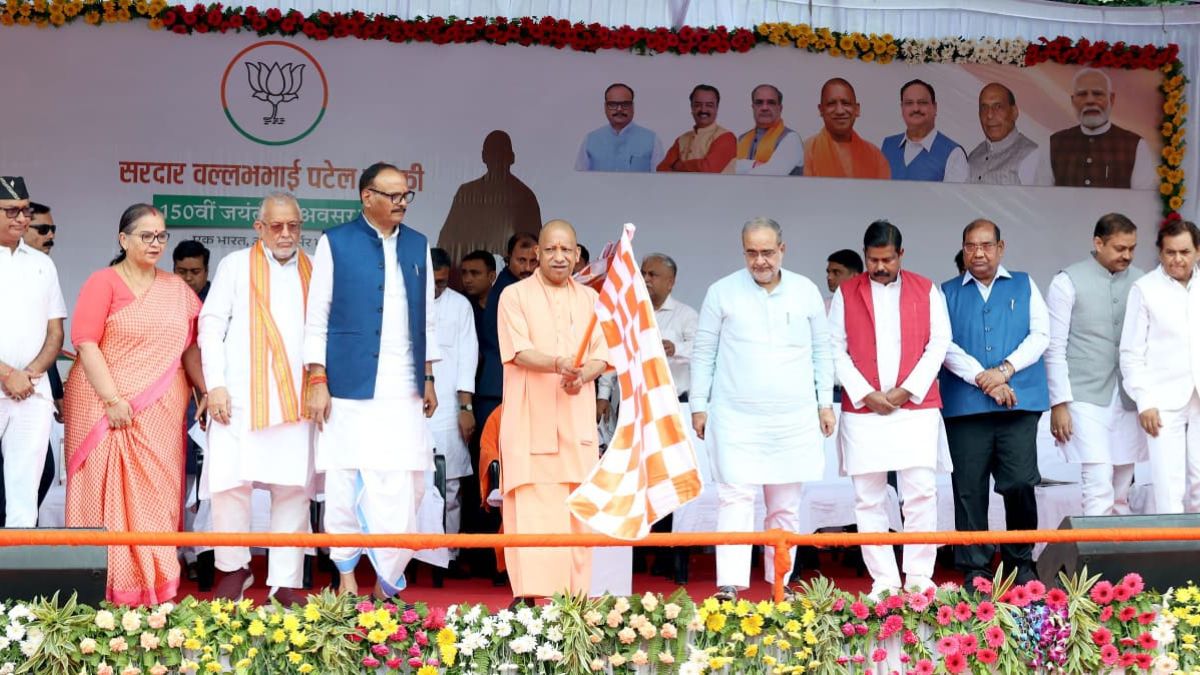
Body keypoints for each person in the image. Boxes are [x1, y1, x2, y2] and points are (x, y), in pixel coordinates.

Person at [303, 162, 438, 599]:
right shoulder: (335, 243)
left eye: (405, 196)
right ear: (367, 197)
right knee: (344, 480)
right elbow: (316, 317)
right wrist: (317, 377)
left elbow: (428, 320)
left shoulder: (418, 245)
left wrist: (430, 376)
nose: (402, 203)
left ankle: (387, 581)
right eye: (394, 195)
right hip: (349, 385)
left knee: (406, 483)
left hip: (404, 388)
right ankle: (344, 578)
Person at [64, 203, 205, 604]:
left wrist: (206, 390)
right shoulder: (102, 282)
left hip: (158, 411)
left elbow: (190, 348)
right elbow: (85, 342)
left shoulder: (176, 289)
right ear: (123, 239)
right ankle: (102, 592)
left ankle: (154, 591)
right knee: (103, 496)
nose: (155, 243)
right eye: (146, 236)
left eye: (161, 236)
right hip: (103, 408)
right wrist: (112, 400)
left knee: (155, 498)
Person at [691, 217, 835, 601]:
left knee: (785, 507)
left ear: (782, 250)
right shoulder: (721, 292)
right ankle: (730, 586)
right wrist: (699, 405)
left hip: (792, 417)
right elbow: (704, 352)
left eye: (767, 252)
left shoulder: (805, 292)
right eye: (752, 252)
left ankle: (779, 585)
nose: (760, 261)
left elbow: (823, 351)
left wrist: (825, 403)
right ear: (743, 252)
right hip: (735, 416)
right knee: (734, 499)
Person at [198, 193, 315, 605]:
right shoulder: (234, 266)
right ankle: (234, 568)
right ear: (259, 227)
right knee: (231, 485)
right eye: (277, 226)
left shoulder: (313, 269)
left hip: (296, 399)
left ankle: (285, 579)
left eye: (294, 226)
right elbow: (210, 327)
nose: (286, 234)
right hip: (239, 396)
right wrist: (215, 385)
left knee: (292, 490)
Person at [829, 221, 951, 597]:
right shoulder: (846, 292)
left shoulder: (926, 288)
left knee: (920, 493)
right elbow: (835, 347)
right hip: (865, 411)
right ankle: (883, 581)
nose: (879, 267)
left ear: (901, 254)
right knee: (868, 498)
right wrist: (867, 394)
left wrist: (906, 391)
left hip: (914, 408)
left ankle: (918, 576)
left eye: (887, 259)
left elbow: (939, 342)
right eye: (873, 259)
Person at [497, 219, 609, 600]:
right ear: (536, 256)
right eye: (550, 250)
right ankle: (529, 597)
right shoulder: (514, 296)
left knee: (577, 507)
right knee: (530, 509)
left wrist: (584, 373)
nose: (558, 257)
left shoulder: (592, 300)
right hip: (531, 418)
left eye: (566, 250)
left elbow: (601, 355)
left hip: (575, 417)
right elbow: (518, 351)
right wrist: (560, 363)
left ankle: (575, 599)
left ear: (577, 255)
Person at [941, 219, 1049, 586]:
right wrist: (984, 380)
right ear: (963, 248)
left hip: (1017, 404)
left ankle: (1021, 562)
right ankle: (976, 570)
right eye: (971, 245)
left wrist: (1004, 371)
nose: (979, 252)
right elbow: (944, 345)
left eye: (986, 245)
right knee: (969, 488)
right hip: (966, 406)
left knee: (1019, 481)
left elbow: (1041, 336)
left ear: (1001, 248)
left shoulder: (1024, 283)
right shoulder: (946, 292)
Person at [1046, 214, 1146, 516]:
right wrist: (1059, 403)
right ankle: (1096, 559)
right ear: (1098, 243)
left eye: (1132, 248)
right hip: (1084, 396)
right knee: (1098, 482)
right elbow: (1054, 347)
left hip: (1128, 397)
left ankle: (1123, 559)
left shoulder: (1143, 281)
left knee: (1121, 488)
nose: (1127, 255)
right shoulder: (1067, 281)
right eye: (1119, 248)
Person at [466, 232, 538, 581]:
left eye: (532, 261)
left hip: (522, 391)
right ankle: (491, 561)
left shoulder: (531, 288)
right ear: (507, 259)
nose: (527, 268)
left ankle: (510, 559)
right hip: (499, 392)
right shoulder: (509, 292)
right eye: (521, 261)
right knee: (492, 476)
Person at [1119, 219, 1200, 514]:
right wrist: (1145, 401)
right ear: (1159, 253)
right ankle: (1175, 557)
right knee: (1168, 486)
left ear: (1198, 251)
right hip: (1162, 400)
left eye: (1185, 252)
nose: (1178, 259)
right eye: (1170, 252)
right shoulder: (1145, 288)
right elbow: (1130, 352)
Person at [0, 177, 66, 529]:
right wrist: (7, 374)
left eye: (25, 210)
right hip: (10, 382)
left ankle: (12, 580)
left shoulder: (42, 265)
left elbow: (55, 333)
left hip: (31, 393)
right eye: (11, 210)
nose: (22, 218)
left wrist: (28, 374)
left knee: (25, 494)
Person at [637, 252, 699, 582]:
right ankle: (638, 552)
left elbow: (701, 351)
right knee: (641, 481)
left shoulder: (687, 315)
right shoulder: (634, 313)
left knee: (670, 481)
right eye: (644, 273)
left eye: (653, 275)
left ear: (670, 281)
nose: (646, 279)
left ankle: (668, 553)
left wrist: (673, 347)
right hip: (639, 408)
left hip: (675, 407)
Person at [429, 247, 479, 574]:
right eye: (433, 282)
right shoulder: (403, 300)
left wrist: (466, 406)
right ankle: (411, 551)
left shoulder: (459, 306)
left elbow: (467, 358)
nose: (437, 288)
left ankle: (448, 554)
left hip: (448, 405)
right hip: (411, 406)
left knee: (450, 486)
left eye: (443, 282)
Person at [438, 130, 542, 264]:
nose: (498, 159)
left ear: (511, 157)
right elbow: (446, 243)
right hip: (468, 277)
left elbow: (536, 249)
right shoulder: (466, 193)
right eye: (494, 154)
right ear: (484, 157)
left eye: (502, 154)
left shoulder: (525, 197)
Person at [1047, 68, 1156, 189]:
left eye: (1097, 94)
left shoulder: (1135, 145)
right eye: (1082, 94)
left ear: (1112, 99)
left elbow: (1143, 200)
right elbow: (1041, 197)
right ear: (1073, 101)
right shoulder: (1054, 143)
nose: (1090, 101)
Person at [881, 79, 967, 182]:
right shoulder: (888, 145)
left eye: (922, 103)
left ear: (934, 108)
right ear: (902, 108)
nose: (916, 108)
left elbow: (954, 197)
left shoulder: (953, 153)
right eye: (909, 103)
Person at [803, 78, 890, 179]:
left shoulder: (876, 157)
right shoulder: (806, 153)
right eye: (831, 104)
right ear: (821, 110)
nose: (840, 111)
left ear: (857, 109)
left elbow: (882, 194)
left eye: (846, 103)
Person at [967, 83, 1050, 186]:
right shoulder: (973, 157)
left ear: (1014, 112)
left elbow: (1041, 201)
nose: (989, 115)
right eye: (984, 108)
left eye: (998, 107)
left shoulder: (1032, 156)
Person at [575, 83, 665, 172]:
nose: (619, 109)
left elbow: (661, 181)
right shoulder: (590, 140)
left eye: (625, 104)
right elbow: (578, 180)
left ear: (633, 107)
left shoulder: (652, 140)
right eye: (613, 104)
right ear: (605, 107)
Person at [657, 84, 737, 173]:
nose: (703, 109)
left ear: (716, 108)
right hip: (681, 187)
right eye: (698, 105)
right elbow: (662, 169)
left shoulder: (726, 137)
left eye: (709, 105)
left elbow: (708, 169)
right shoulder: (682, 139)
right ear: (692, 107)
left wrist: (678, 165)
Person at [729, 84, 804, 176]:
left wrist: (739, 166)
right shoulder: (742, 139)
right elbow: (724, 171)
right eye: (759, 102)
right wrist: (753, 165)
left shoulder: (791, 139)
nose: (764, 108)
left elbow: (769, 175)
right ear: (753, 107)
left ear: (780, 108)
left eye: (771, 103)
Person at [459, 249, 497, 314]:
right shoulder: (458, 302)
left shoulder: (504, 302)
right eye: (464, 273)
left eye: (475, 273)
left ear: (491, 276)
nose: (467, 280)